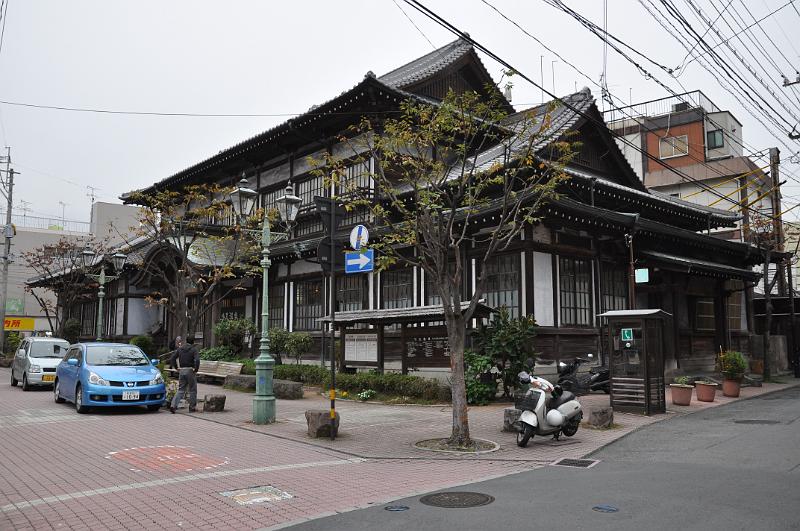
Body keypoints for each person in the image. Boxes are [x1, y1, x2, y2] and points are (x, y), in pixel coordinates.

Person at [169, 335, 199, 413]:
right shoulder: (194, 349)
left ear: (186, 341)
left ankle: (173, 405)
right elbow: (197, 360)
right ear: (193, 342)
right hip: (190, 370)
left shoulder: (180, 349)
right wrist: (196, 369)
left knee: (181, 389)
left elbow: (172, 358)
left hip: (182, 371)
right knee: (192, 389)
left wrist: (176, 367)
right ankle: (192, 407)